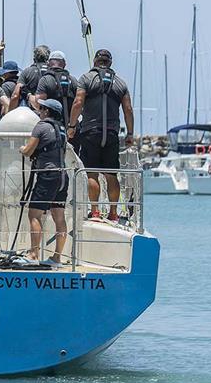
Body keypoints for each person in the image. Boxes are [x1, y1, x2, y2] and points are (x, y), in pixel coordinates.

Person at [67, 49, 133, 221]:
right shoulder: (120, 83)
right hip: (111, 133)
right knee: (111, 173)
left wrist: (72, 126)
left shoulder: (86, 79)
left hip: (91, 131)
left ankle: (95, 211)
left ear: (95, 62)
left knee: (92, 172)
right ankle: (113, 213)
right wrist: (130, 133)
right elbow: (128, 109)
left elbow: (78, 102)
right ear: (110, 63)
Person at [19, 98, 69, 263]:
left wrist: (22, 149)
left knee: (34, 214)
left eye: (41, 108)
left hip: (48, 176)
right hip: (63, 176)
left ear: (47, 112)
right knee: (59, 217)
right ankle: (57, 258)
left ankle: (33, 255)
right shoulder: (62, 129)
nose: (39, 111)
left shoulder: (41, 126)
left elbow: (28, 151)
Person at [34, 50, 78, 128]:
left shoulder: (45, 79)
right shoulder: (73, 80)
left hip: (51, 125)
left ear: (48, 63)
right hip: (69, 125)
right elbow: (78, 103)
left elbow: (38, 103)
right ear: (64, 64)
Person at [8, 44, 50, 111]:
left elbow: (15, 95)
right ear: (48, 58)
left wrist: (9, 113)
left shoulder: (27, 71)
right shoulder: (52, 72)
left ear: (34, 58)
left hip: (31, 111)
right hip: (49, 112)